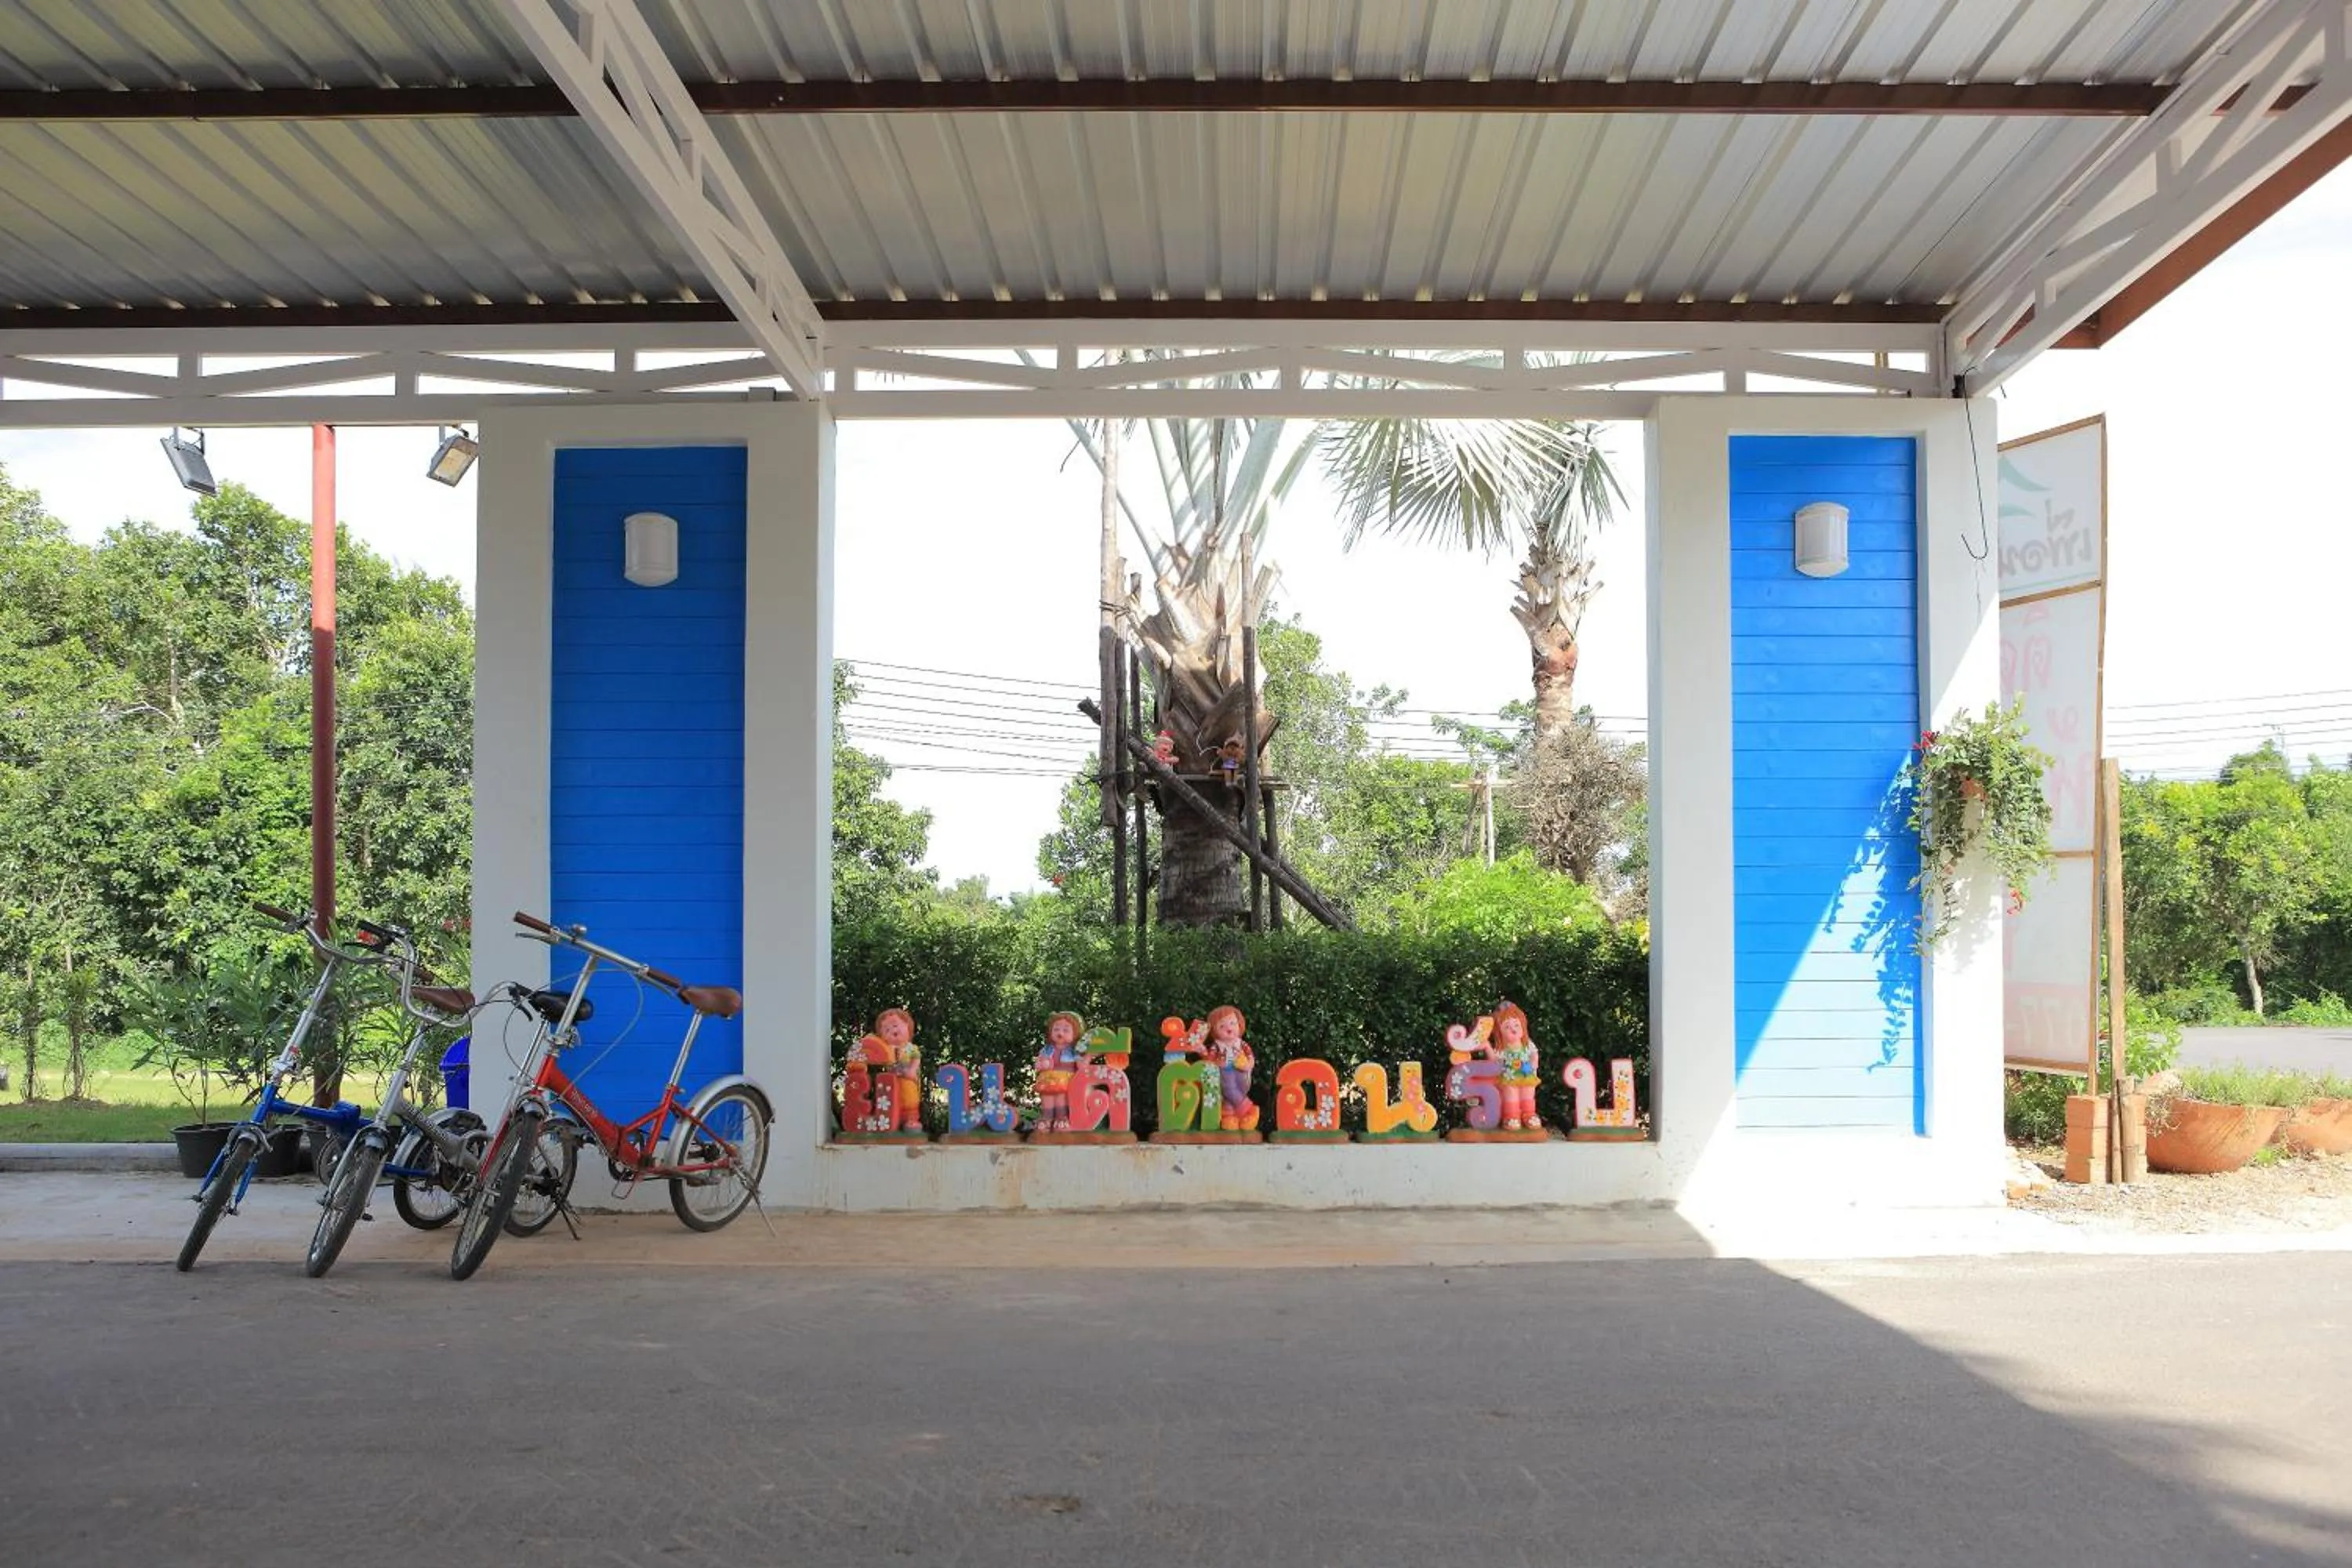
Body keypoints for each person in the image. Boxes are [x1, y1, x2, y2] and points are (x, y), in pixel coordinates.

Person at [1493, 1001, 1540, 1132]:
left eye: (1517, 1025)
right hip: (1510, 1077)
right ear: (1499, 1032)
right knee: (1511, 1095)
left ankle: (1529, 1114)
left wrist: (1534, 1061)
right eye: (1507, 1027)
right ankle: (1511, 1116)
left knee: (1528, 1093)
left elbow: (1534, 1053)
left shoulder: (1527, 1044)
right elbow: (1495, 1059)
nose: (1513, 1029)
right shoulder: (1502, 1048)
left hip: (1527, 1075)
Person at [1034, 1012, 1083, 1133]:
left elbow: (1081, 1066)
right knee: (1047, 1098)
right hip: (1048, 1079)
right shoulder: (1047, 1049)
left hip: (1066, 1080)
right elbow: (1038, 1062)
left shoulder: (1074, 1051)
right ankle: (1046, 1118)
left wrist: (1086, 1058)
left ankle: (1062, 1118)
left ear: (1075, 1034)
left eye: (1066, 1030)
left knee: (1061, 1098)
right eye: (1056, 1029)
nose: (1060, 1033)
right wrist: (1041, 1065)